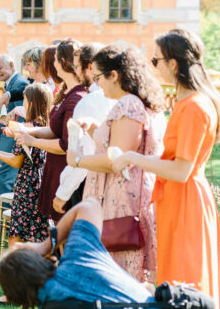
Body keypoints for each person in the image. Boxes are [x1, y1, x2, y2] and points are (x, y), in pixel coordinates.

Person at [112, 29, 220, 306]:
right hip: (179, 198)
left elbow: (181, 170)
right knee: (178, 277)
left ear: (173, 64)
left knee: (185, 280)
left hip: (186, 199)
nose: (154, 67)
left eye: (156, 60)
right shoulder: (190, 103)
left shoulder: (194, 107)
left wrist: (132, 157)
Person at [70, 46, 164, 282]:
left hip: (122, 199)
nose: (98, 84)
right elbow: (114, 148)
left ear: (115, 75)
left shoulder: (129, 104)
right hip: (117, 194)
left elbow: (116, 160)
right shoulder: (129, 103)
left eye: (99, 77)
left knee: (120, 272)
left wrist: (78, 161)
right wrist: (94, 129)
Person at [0, 199, 155, 309]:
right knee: (148, 289)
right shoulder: (77, 258)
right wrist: (44, 245)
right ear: (42, 259)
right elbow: (89, 206)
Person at [15, 39, 87, 222]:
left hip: (64, 169)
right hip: (54, 168)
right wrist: (29, 131)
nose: (52, 64)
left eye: (55, 59)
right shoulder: (66, 93)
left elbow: (65, 145)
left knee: (63, 230)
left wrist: (32, 141)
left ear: (63, 63)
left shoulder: (76, 98)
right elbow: (55, 130)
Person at [0, 82, 53, 244]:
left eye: (25, 101)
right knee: (37, 236)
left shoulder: (26, 127)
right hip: (41, 184)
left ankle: (15, 267)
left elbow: (16, 161)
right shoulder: (45, 127)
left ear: (32, 103)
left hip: (27, 186)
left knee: (17, 236)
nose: (23, 104)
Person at [53, 42, 117, 212]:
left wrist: (63, 193)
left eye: (77, 67)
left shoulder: (90, 102)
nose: (75, 72)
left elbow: (81, 151)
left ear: (89, 67)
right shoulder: (121, 97)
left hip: (89, 181)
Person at [0, 54, 29, 236]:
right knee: (4, 178)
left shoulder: (19, 81)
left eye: (0, 68)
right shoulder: (9, 82)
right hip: (7, 135)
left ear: (11, 64)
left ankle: (1, 221)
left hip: (14, 139)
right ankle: (3, 219)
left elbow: (23, 89)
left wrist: (8, 94)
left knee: (2, 177)